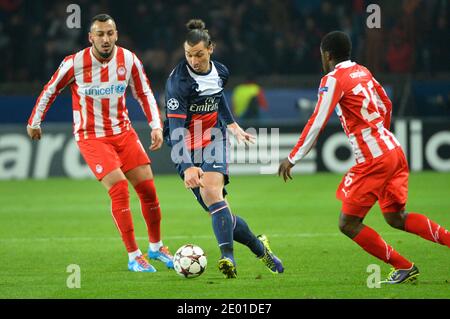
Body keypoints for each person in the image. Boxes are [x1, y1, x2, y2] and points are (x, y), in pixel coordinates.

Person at [278, 31, 449, 284]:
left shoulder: (333, 79)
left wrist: (293, 157)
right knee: (395, 217)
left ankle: (403, 266)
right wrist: (381, 134)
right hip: (393, 149)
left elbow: (317, 121)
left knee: (347, 223)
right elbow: (386, 104)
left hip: (374, 160)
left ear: (327, 55)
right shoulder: (362, 71)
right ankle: (411, 263)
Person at [27, 14, 174, 273]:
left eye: (110, 33)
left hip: (123, 133)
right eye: (100, 34)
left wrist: (155, 125)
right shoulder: (74, 63)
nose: (105, 39)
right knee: (119, 188)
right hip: (91, 136)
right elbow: (51, 90)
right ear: (90, 37)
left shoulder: (128, 60)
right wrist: (35, 121)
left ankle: (156, 246)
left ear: (116, 34)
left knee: (149, 189)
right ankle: (133, 255)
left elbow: (143, 92)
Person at [163, 19, 284, 278]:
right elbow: (174, 132)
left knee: (212, 192)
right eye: (188, 55)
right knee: (218, 208)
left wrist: (232, 125)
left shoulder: (221, 72)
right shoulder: (178, 83)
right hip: (184, 144)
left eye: (198, 54)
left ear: (211, 49)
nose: (193, 61)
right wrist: (187, 167)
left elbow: (217, 98)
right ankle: (260, 247)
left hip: (213, 138)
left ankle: (227, 257)